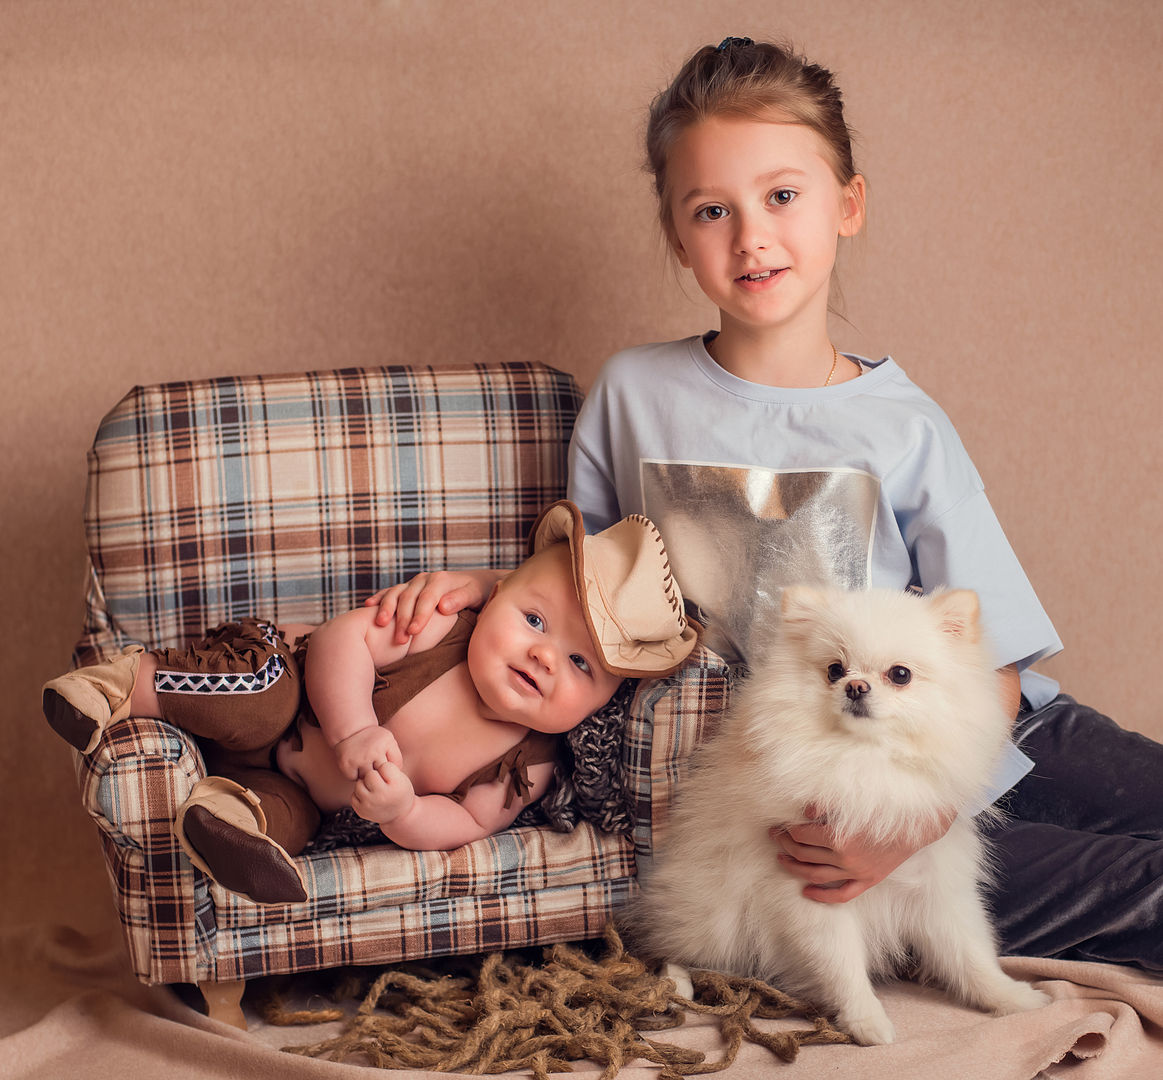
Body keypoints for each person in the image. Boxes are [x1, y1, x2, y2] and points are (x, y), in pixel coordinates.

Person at [368, 37, 1163, 972]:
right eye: (712, 210)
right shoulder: (632, 396)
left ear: (847, 205)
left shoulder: (905, 428)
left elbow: (991, 667)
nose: (750, 236)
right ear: (677, 236)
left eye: (782, 195)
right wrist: (482, 587)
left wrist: (921, 819)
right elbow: (582, 590)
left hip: (973, 737)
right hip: (835, 775)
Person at [42, 500, 697, 905]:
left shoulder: (530, 764)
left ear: (601, 704)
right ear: (493, 594)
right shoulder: (444, 626)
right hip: (288, 689)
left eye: (581, 664)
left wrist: (405, 811)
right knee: (259, 700)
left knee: (288, 823)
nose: (545, 657)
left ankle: (225, 821)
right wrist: (353, 729)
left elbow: (463, 823)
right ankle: (124, 685)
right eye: (534, 620)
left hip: (304, 792)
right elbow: (340, 640)